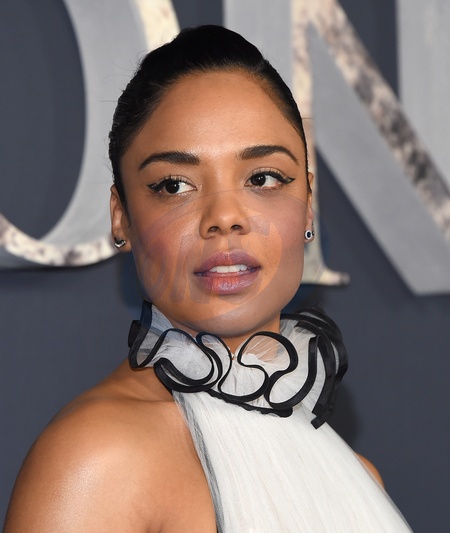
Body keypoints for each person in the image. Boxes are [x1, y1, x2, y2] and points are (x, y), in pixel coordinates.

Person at [4, 25, 411, 532]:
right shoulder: (96, 460)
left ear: (308, 203)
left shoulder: (359, 478)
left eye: (263, 178)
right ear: (121, 216)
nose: (224, 217)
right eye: (174, 185)